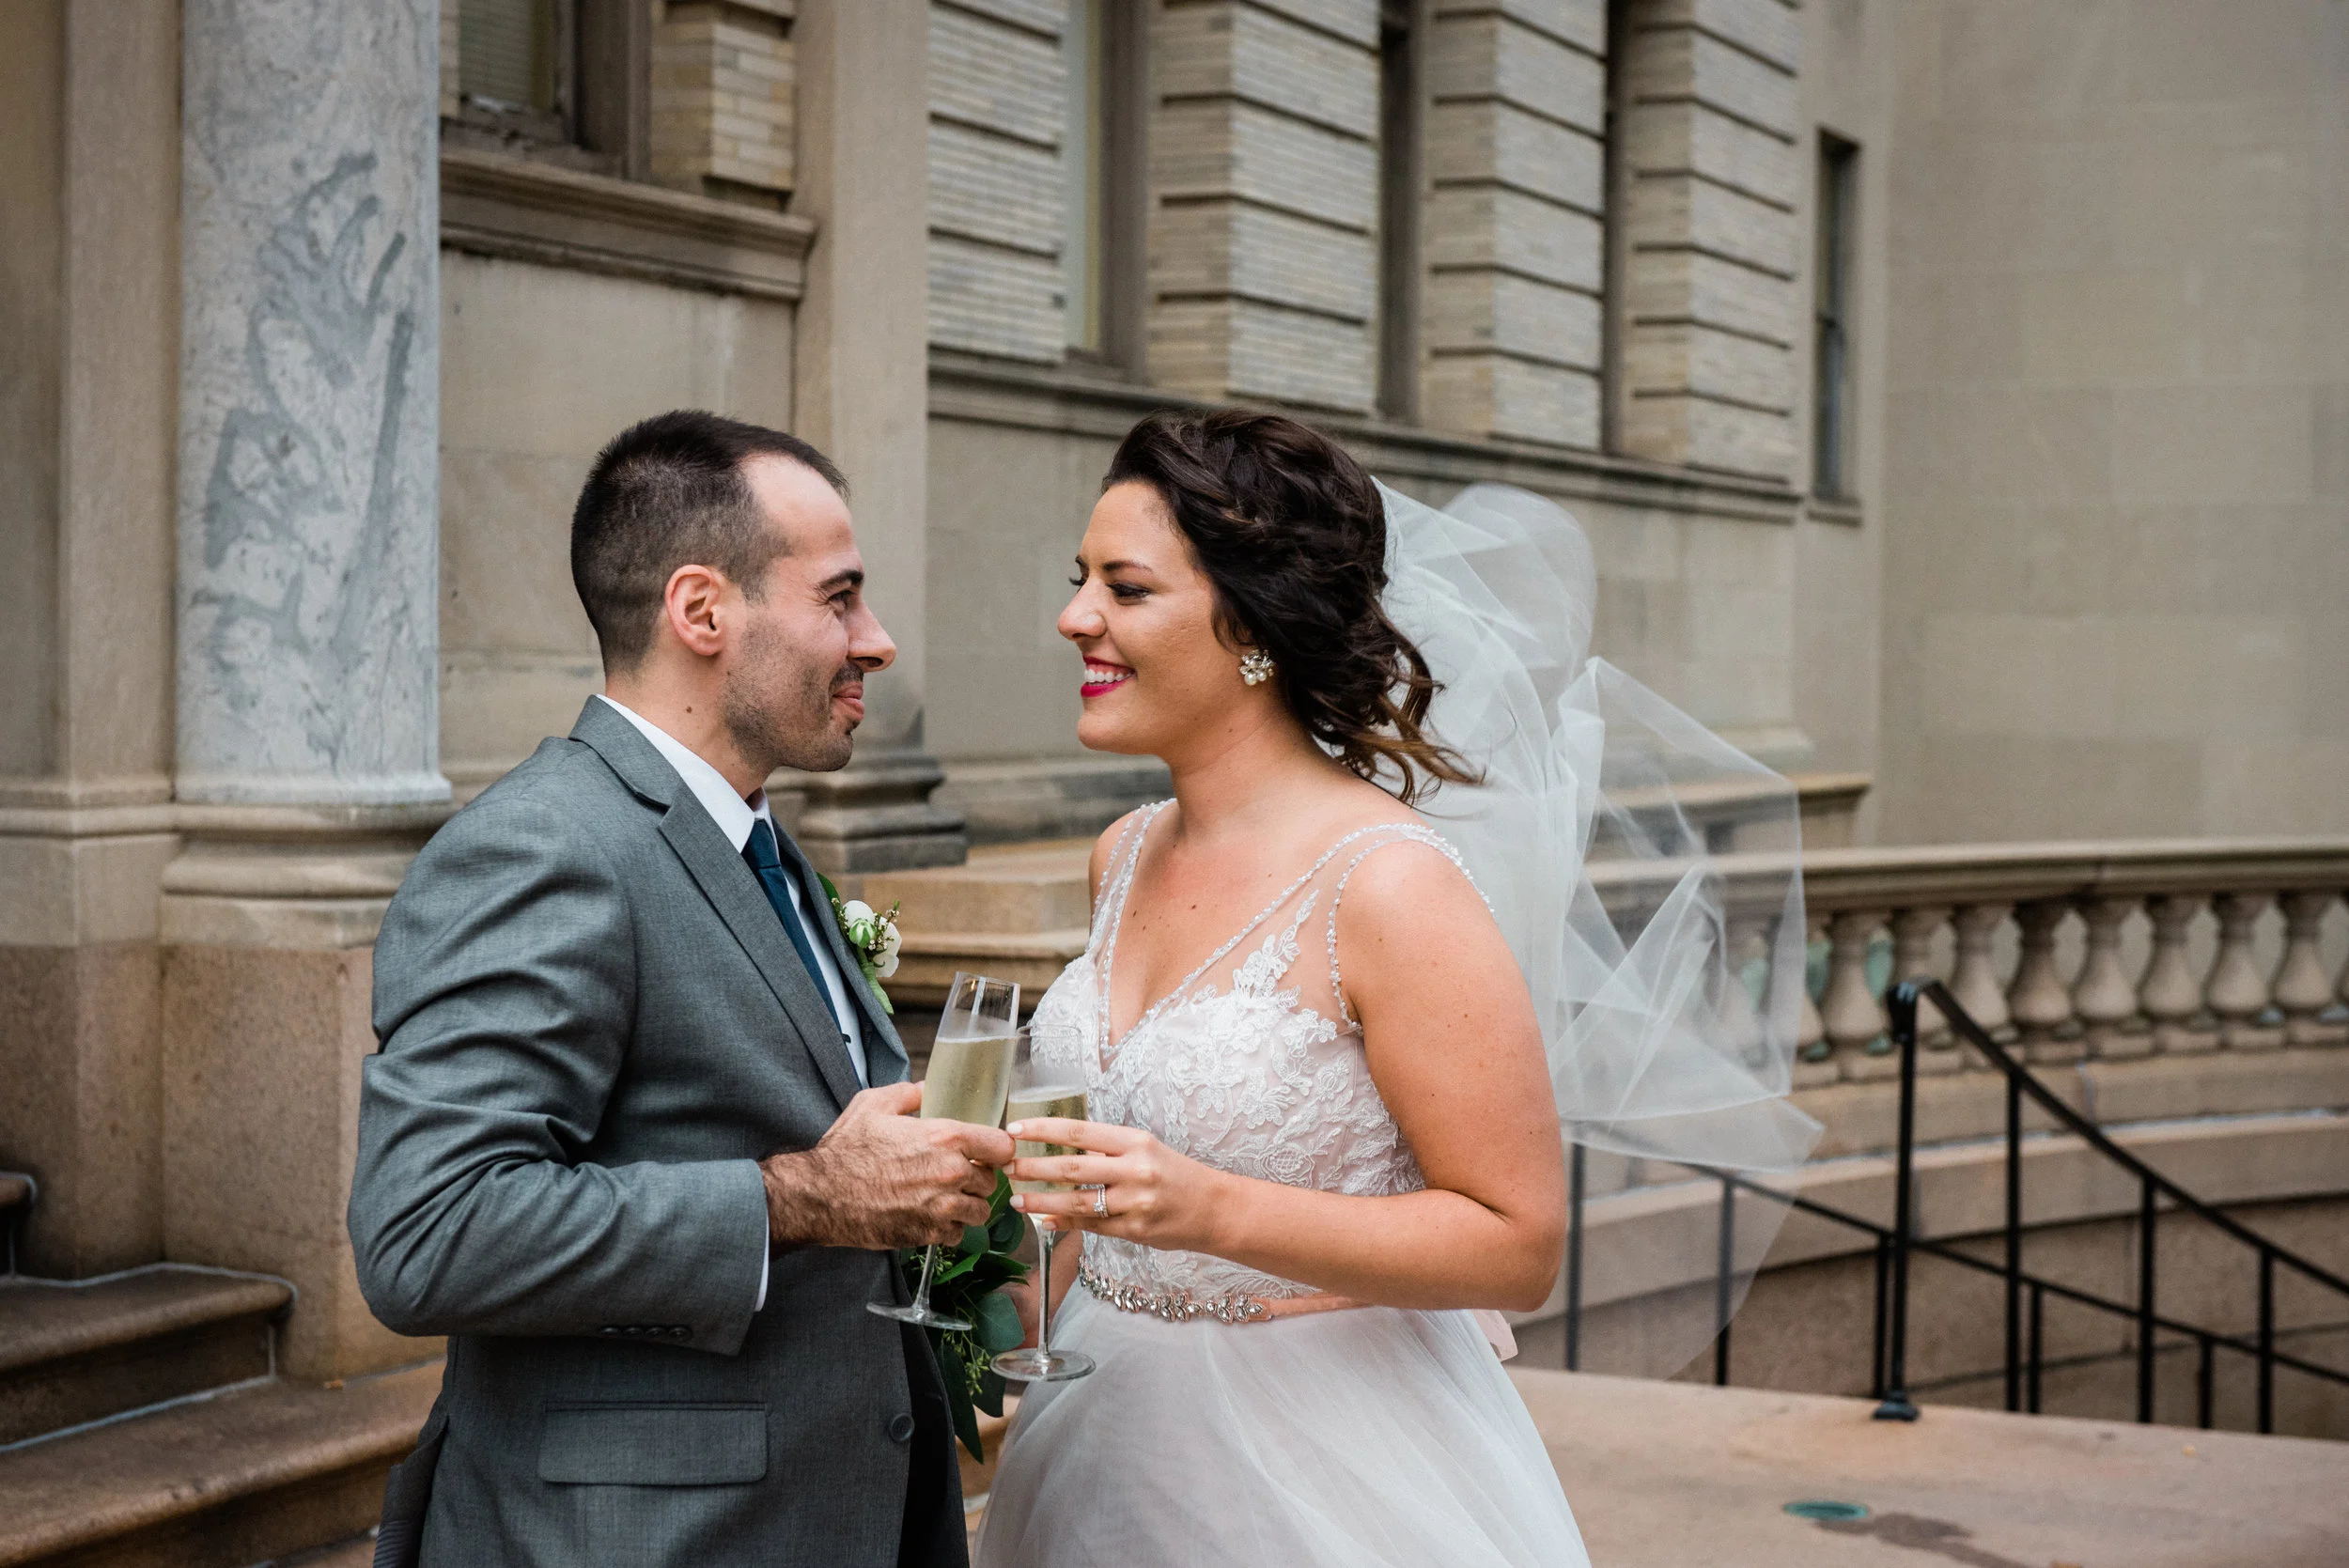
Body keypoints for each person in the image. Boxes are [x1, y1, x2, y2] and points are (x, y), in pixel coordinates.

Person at [348, 411, 1013, 1568]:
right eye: (841, 597)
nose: (880, 640)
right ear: (702, 610)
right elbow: (427, 1231)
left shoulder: (752, 836)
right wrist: (795, 1197)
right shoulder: (545, 847)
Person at [976, 411, 1596, 1567]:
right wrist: (987, 1306)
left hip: (1317, 1467)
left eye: (1124, 587)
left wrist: (1214, 1210)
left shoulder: (1389, 887)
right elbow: (1090, 1188)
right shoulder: (1123, 852)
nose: (1074, 618)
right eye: (1079, 582)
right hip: (1094, 1438)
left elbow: (1518, 1240)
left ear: (1252, 625)